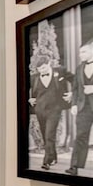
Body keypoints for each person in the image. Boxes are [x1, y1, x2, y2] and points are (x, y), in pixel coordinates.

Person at [29, 55, 73, 169]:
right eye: (39, 69)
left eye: (43, 68)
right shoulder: (34, 77)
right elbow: (21, 88)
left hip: (55, 109)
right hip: (40, 110)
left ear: (49, 64)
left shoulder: (60, 72)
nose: (41, 71)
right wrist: (29, 98)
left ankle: (46, 161)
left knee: (49, 134)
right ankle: (53, 157)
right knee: (45, 135)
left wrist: (72, 93)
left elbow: (76, 80)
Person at [66, 39, 93, 175]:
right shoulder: (79, 68)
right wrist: (74, 105)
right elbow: (76, 88)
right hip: (84, 108)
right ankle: (74, 167)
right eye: (80, 52)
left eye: (83, 52)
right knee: (80, 136)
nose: (80, 55)